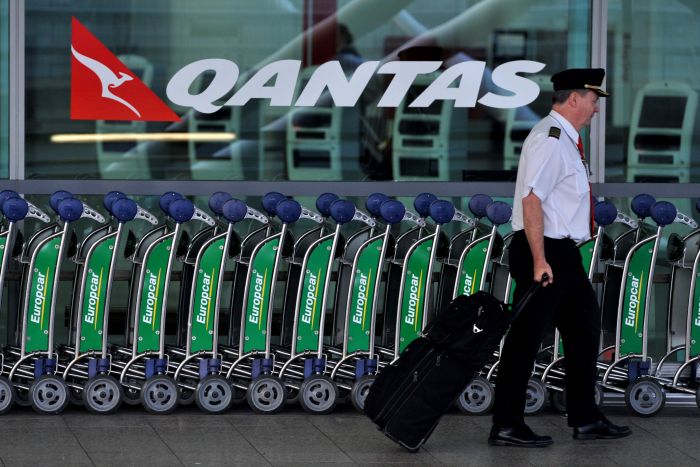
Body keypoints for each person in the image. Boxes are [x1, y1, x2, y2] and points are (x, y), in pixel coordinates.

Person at [488, 68, 632, 447]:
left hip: (562, 253)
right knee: (526, 339)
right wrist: (539, 260)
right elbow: (531, 200)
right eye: (594, 99)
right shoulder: (551, 140)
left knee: (584, 332)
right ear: (575, 99)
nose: (596, 108)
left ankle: (585, 417)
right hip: (545, 251)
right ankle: (506, 424)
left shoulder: (565, 139)